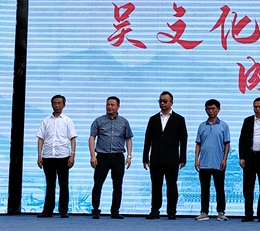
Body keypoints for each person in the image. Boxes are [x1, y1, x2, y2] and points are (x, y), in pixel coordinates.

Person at [142, 91, 188, 220]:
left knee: (172, 186)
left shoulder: (179, 119)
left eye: (165, 101)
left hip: (172, 159)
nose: (162, 103)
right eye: (160, 101)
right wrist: (145, 157)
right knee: (156, 186)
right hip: (155, 159)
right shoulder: (153, 119)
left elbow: (183, 140)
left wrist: (182, 158)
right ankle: (155, 210)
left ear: (171, 103)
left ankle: (171, 211)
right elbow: (147, 140)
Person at [89, 96, 133, 219]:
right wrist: (92, 156)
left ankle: (115, 211)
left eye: (112, 105)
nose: (109, 107)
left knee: (117, 186)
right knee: (97, 184)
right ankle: (96, 210)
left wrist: (129, 156)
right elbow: (92, 138)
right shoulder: (99, 121)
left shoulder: (124, 122)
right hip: (102, 157)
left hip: (118, 157)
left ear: (118, 106)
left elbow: (128, 139)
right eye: (108, 104)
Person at [35, 95, 77, 218]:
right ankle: (48, 210)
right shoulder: (46, 121)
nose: (57, 105)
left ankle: (63, 210)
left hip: (63, 156)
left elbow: (72, 139)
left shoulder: (67, 120)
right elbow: (41, 138)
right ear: (51, 104)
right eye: (54, 103)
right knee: (50, 184)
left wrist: (72, 155)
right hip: (48, 156)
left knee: (63, 184)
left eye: (59, 103)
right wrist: (39, 155)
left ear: (64, 105)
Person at [194, 99, 230, 221]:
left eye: (213, 108)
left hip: (218, 162)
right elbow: (198, 144)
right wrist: (196, 159)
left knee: (220, 188)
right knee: (204, 189)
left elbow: (227, 144)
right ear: (205, 110)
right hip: (204, 163)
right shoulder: (202, 126)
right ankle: (204, 212)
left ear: (218, 109)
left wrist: (224, 159)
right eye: (208, 109)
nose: (211, 111)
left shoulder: (224, 126)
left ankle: (221, 212)